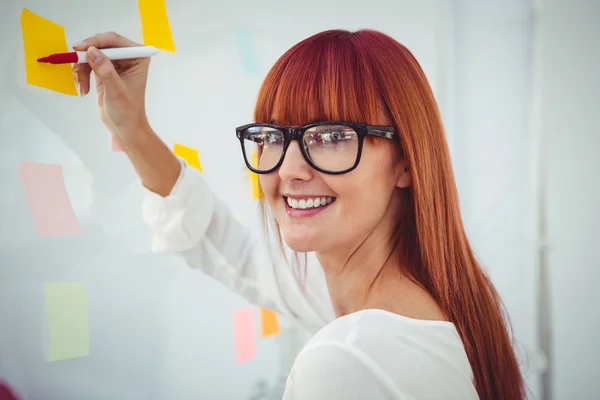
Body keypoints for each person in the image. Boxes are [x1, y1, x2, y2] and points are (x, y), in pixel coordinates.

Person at [72, 29, 525, 399]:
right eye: (272, 136)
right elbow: (234, 252)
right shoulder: (415, 298)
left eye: (330, 138)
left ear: (406, 162)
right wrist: (132, 129)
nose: (288, 170)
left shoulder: (349, 359)